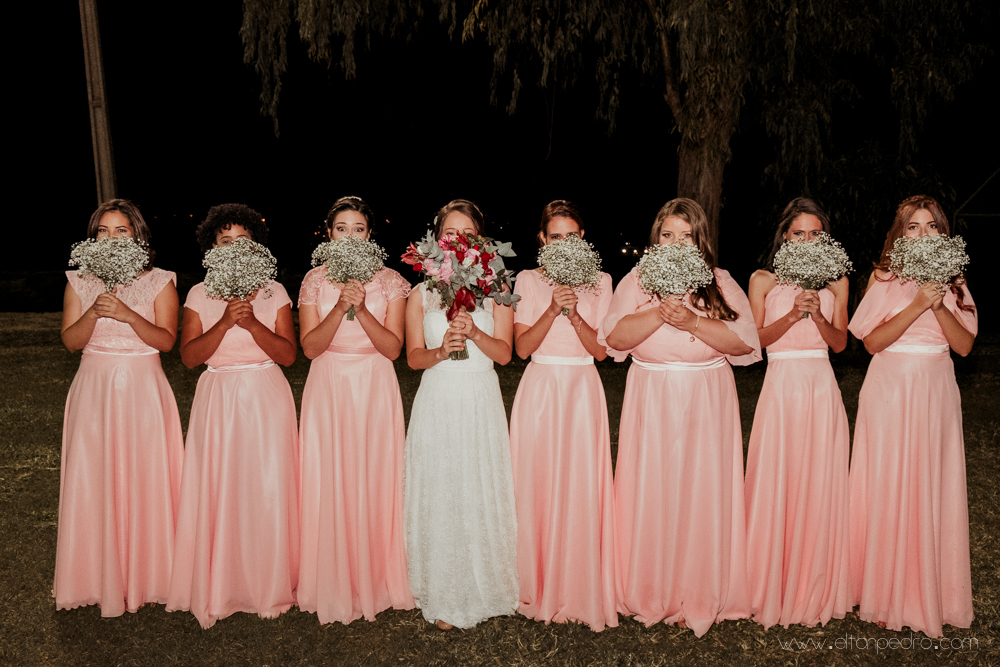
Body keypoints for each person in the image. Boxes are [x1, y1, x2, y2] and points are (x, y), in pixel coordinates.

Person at [599, 197, 760, 637]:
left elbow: (744, 343)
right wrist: (658, 311)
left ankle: (701, 582)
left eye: (685, 236)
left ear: (700, 241)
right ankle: (649, 584)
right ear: (656, 240)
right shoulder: (637, 280)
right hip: (651, 396)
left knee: (702, 486)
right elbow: (614, 339)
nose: (675, 243)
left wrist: (691, 321)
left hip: (707, 397)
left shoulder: (720, 281)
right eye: (667, 235)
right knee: (652, 484)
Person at [848, 195, 976, 638]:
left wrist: (939, 304)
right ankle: (883, 590)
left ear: (943, 233)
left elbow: (964, 346)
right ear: (900, 235)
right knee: (889, 481)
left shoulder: (955, 281)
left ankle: (929, 589)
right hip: (890, 389)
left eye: (931, 226)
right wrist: (918, 302)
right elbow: (871, 342)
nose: (923, 233)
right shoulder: (884, 278)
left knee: (930, 481)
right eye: (913, 226)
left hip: (936, 390)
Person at [167, 203, 299, 629]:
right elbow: (190, 357)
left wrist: (254, 324)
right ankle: (221, 579)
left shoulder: (273, 291)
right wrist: (224, 322)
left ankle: (269, 580)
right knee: (220, 485)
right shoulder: (198, 294)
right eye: (225, 241)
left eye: (243, 240)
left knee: (267, 486)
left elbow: (288, 355)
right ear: (212, 248)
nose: (234, 247)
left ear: (256, 246)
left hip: (265, 396)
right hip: (219, 398)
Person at [55, 199, 183, 616]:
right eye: (103, 231)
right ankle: (95, 575)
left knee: (146, 475)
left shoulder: (161, 281)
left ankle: (152, 574)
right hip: (94, 389)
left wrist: (128, 314)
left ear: (137, 236)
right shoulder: (78, 281)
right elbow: (71, 342)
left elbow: (166, 341)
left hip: (143, 388)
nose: (111, 238)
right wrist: (93, 311)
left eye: (121, 230)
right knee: (95, 477)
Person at [297, 196, 415, 624]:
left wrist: (362, 308)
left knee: (373, 473)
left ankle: (376, 574)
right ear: (329, 235)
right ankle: (329, 575)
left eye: (359, 228)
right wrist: (338, 307)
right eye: (341, 228)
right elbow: (310, 348)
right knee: (329, 474)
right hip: (328, 384)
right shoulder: (314, 279)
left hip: (373, 384)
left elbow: (393, 348)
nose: (350, 235)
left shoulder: (391, 281)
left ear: (370, 235)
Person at [403, 199, 518, 630]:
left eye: (467, 233)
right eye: (450, 233)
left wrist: (474, 333)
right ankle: (444, 589)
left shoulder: (498, 287)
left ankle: (485, 585)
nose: (458, 240)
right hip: (437, 398)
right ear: (437, 239)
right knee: (442, 488)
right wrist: (440, 351)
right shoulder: (421, 293)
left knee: (477, 486)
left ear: (481, 240)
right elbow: (413, 358)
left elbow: (504, 354)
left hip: (479, 397)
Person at [508, 200, 617, 631]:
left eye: (572, 236)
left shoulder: (602, 281)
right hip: (541, 390)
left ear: (583, 238)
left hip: (582, 389)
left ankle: (576, 579)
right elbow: (522, 348)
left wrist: (575, 316)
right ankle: (532, 579)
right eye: (556, 236)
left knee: (580, 481)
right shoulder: (528, 279)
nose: (565, 243)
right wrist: (552, 308)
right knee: (537, 480)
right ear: (542, 239)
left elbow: (601, 351)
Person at [744, 197, 851, 630]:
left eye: (815, 234)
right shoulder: (763, 280)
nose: (806, 240)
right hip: (781, 386)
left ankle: (815, 581)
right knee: (776, 478)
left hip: (821, 387)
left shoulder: (837, 281)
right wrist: (792, 315)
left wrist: (820, 317)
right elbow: (754, 342)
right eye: (798, 233)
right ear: (784, 236)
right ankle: (766, 581)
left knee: (819, 482)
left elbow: (840, 343)